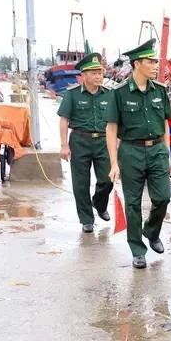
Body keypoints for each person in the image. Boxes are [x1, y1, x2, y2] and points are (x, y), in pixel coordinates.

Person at [106, 39, 171, 269]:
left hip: (156, 150)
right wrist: (114, 163)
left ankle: (151, 231)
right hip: (130, 151)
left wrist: (167, 153)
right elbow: (111, 128)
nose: (155, 65)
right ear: (136, 65)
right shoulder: (120, 93)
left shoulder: (160, 91)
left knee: (163, 197)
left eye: (156, 61)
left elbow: (164, 123)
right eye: (150, 61)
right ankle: (137, 249)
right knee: (133, 203)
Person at [57, 53, 114, 233]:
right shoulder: (72, 94)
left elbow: (115, 122)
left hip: (103, 141)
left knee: (108, 179)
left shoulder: (110, 94)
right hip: (80, 141)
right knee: (80, 183)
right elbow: (64, 120)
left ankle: (99, 203)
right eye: (94, 73)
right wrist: (64, 145)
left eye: (100, 72)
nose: (99, 76)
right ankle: (86, 219)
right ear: (84, 75)